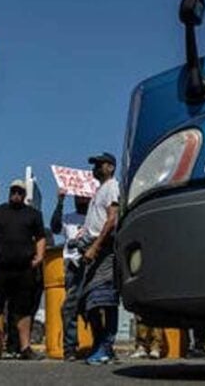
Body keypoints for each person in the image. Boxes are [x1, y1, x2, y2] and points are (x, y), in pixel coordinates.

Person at [0, 180, 46, 360]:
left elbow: (41, 236)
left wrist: (40, 256)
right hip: (1, 268)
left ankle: (25, 347)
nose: (16, 194)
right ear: (9, 192)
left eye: (20, 192)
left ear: (24, 194)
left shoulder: (33, 214)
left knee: (24, 309)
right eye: (13, 191)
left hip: (24, 269)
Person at [79, 152, 120, 366]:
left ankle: (105, 346)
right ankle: (101, 345)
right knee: (88, 300)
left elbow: (112, 219)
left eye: (99, 164)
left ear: (110, 167)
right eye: (94, 165)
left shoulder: (112, 186)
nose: (95, 168)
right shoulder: (99, 190)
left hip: (105, 249)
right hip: (92, 248)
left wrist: (96, 246)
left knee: (103, 299)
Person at [50, 190, 90, 360]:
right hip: (72, 265)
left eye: (84, 196)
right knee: (70, 307)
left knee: (93, 306)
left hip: (90, 263)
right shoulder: (68, 217)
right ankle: (70, 348)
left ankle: (99, 345)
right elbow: (55, 227)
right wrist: (60, 201)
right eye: (77, 196)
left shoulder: (94, 218)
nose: (80, 199)